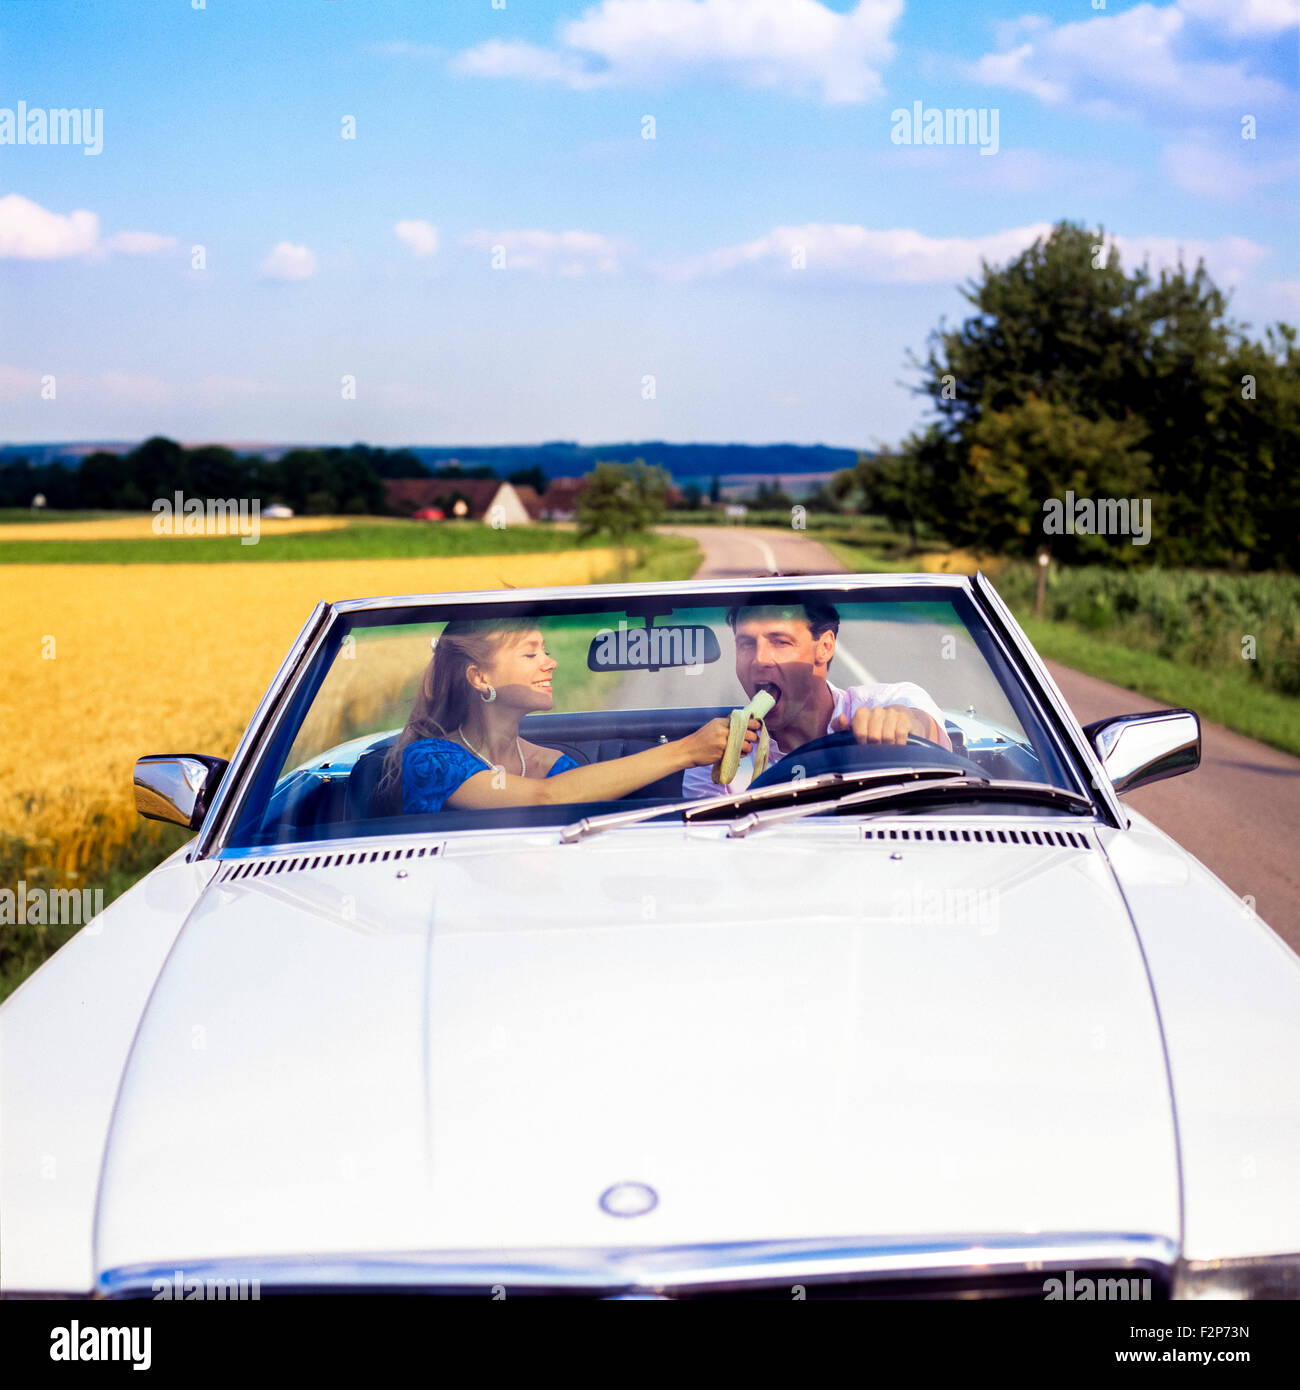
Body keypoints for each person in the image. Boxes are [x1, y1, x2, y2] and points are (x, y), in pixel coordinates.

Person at [377, 618, 758, 813]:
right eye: (531, 654)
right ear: (480, 678)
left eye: (546, 650)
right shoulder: (429, 760)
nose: (551, 663)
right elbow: (545, 799)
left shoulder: (555, 763)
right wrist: (687, 750)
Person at [682, 600, 952, 799]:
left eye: (780, 641)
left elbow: (921, 724)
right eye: (746, 643)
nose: (759, 659)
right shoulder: (715, 757)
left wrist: (900, 725)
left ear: (824, 647)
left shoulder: (884, 701)